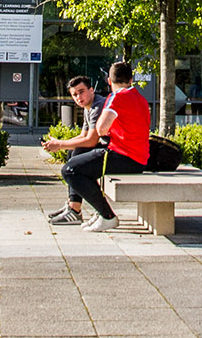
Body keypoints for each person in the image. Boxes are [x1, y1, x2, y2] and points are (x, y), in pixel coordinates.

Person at [60, 61, 150, 231]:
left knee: (70, 170)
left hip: (122, 155)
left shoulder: (117, 97)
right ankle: (99, 211)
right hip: (139, 158)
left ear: (109, 81)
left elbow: (101, 129)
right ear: (131, 80)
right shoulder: (141, 99)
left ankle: (107, 216)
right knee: (81, 161)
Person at [41, 75, 107, 224]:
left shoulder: (98, 106)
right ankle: (73, 206)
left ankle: (75, 209)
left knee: (76, 155)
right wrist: (59, 143)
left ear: (91, 90)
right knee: (73, 152)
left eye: (81, 92)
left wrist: (60, 144)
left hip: (116, 151)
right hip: (107, 149)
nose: (78, 97)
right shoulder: (88, 107)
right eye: (74, 95)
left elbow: (91, 141)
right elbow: (83, 135)